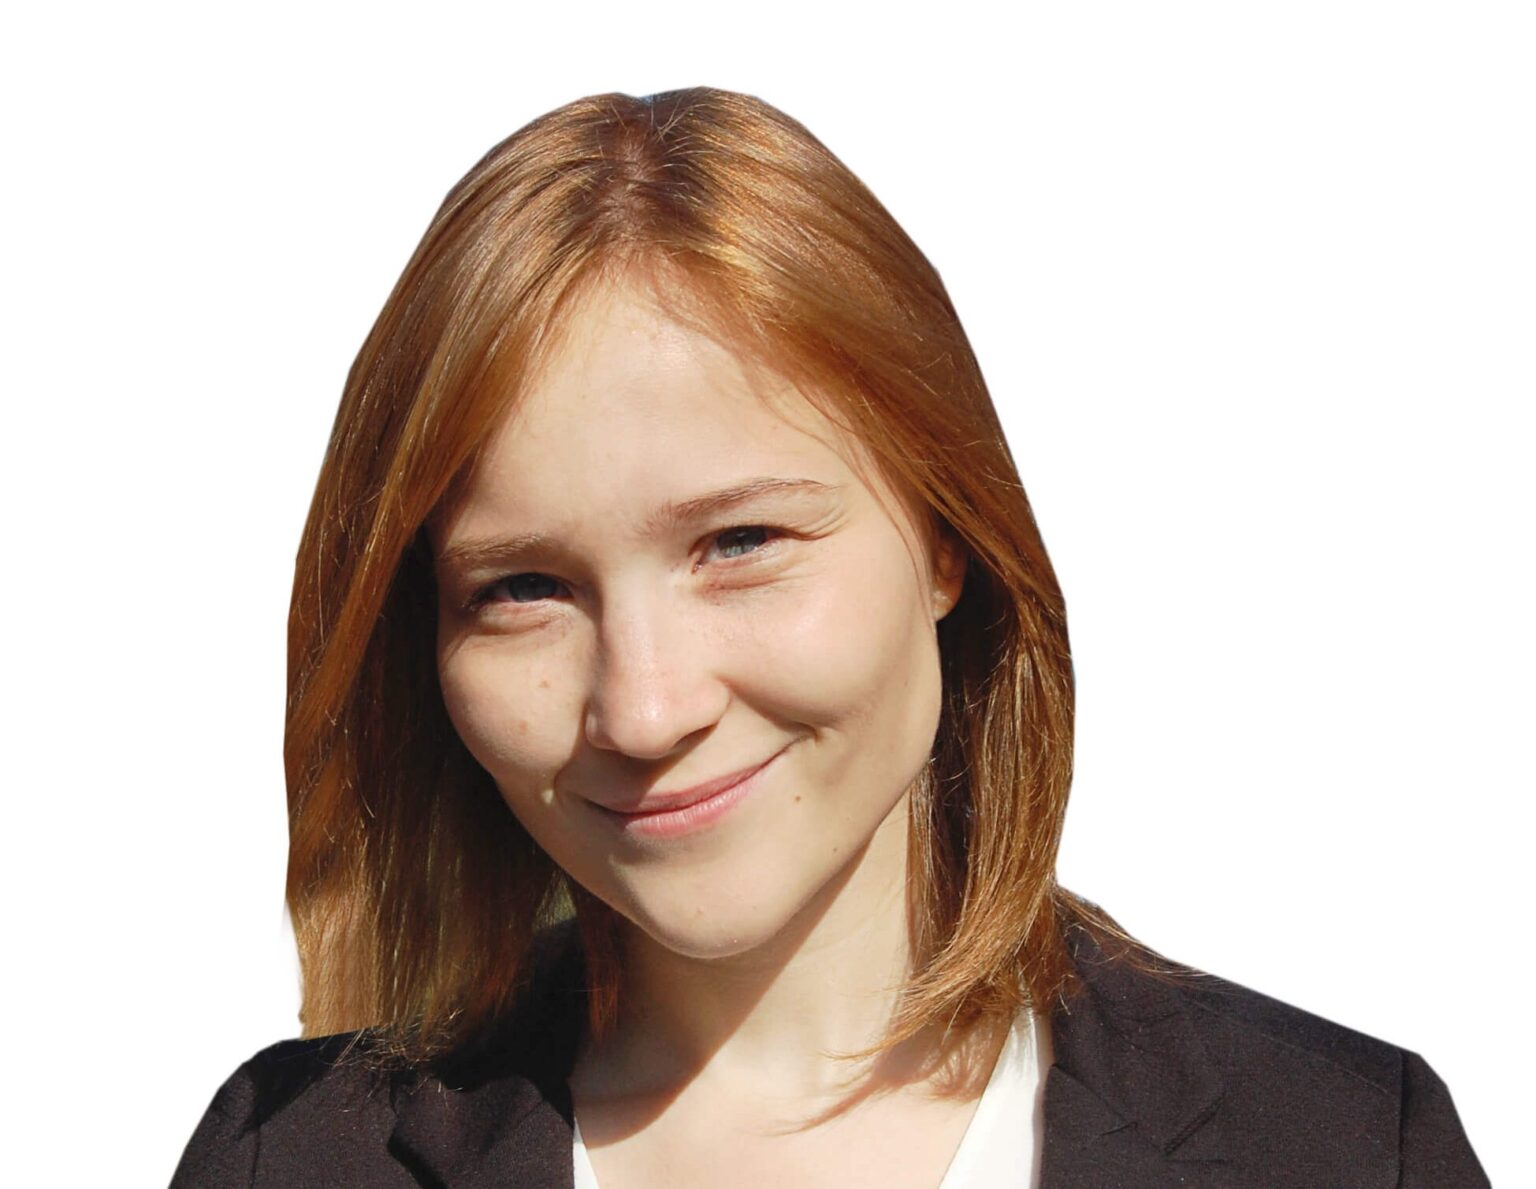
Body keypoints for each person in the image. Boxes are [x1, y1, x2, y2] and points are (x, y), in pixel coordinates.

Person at [171, 87, 1487, 1188]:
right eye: (523, 588)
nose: (645, 706)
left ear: (946, 536)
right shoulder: (284, 1161)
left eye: (740, 541)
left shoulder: (1343, 1152)